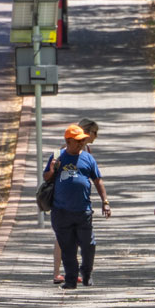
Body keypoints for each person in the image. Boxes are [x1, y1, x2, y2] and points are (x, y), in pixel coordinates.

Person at [45, 123, 110, 290]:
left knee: (89, 245)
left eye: (83, 140)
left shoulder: (88, 157)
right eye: (78, 141)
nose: (81, 143)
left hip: (83, 210)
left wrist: (105, 202)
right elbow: (46, 177)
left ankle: (86, 273)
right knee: (67, 247)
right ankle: (71, 280)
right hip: (61, 211)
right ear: (68, 141)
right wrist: (52, 169)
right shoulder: (58, 155)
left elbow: (98, 180)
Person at [53, 119, 99, 284]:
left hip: (80, 206)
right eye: (95, 132)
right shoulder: (64, 149)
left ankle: (77, 273)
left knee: (83, 242)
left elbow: (93, 175)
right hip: (63, 206)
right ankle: (59, 273)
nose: (95, 136)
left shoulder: (86, 151)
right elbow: (53, 173)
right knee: (64, 241)